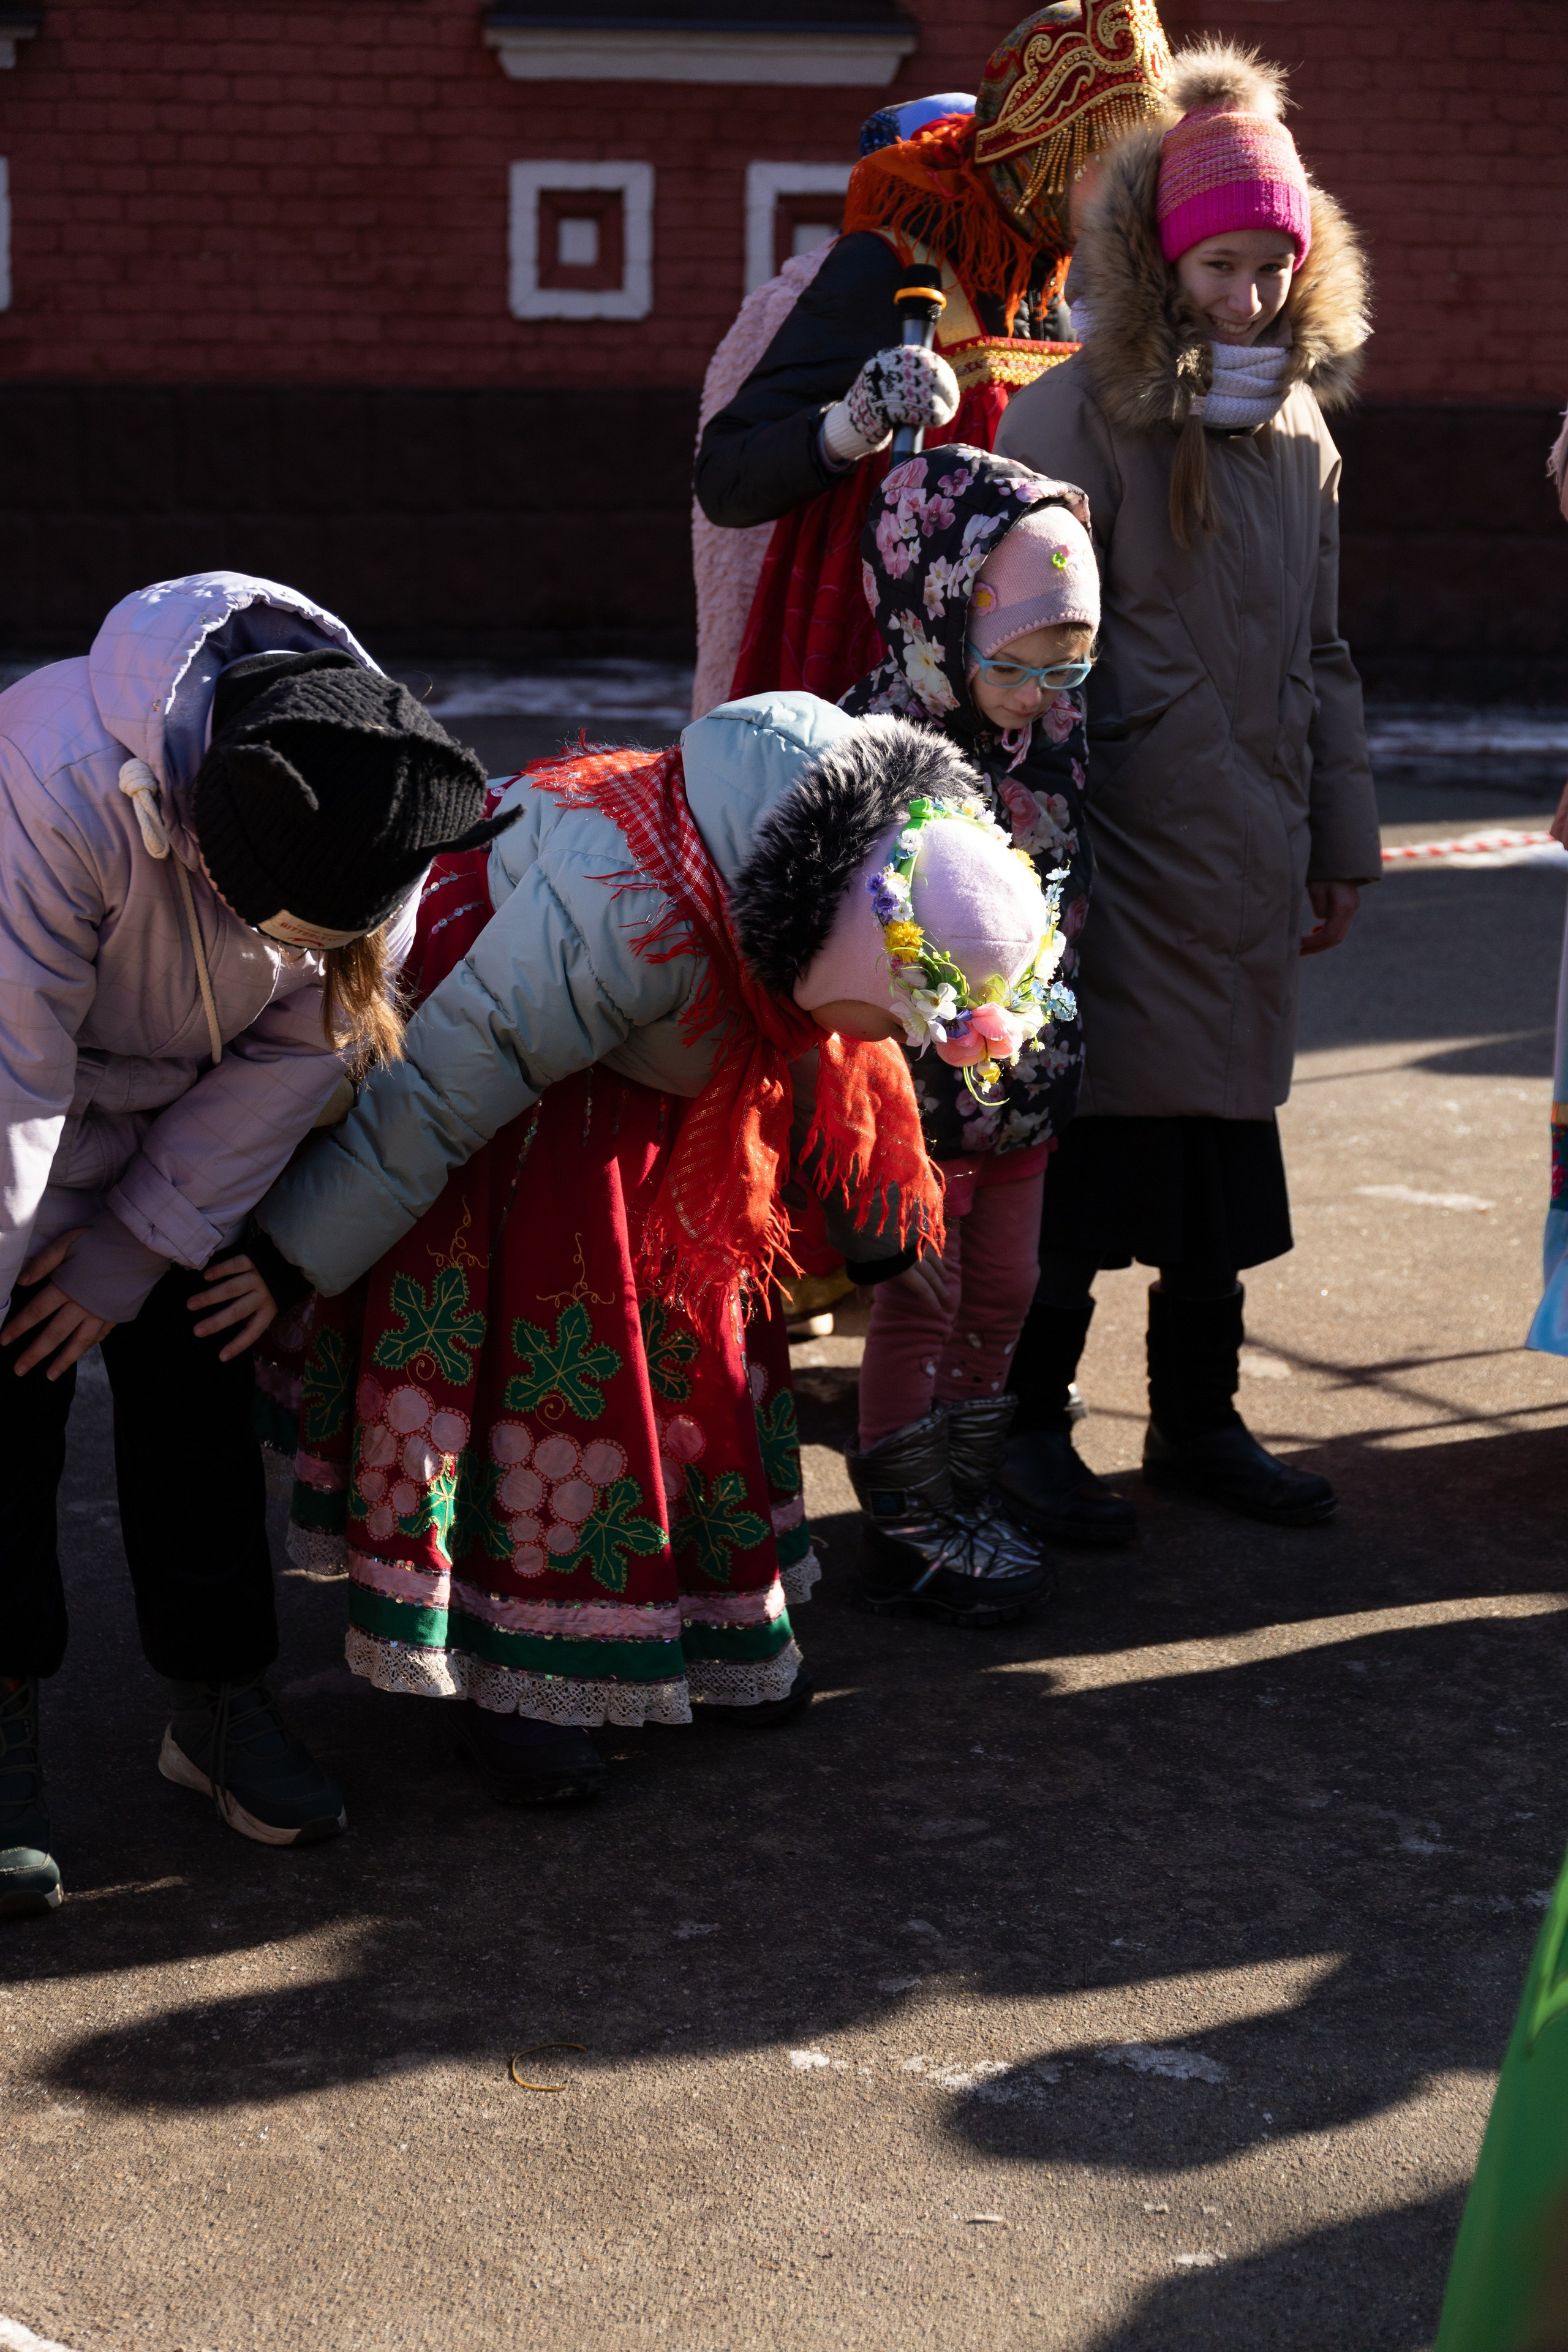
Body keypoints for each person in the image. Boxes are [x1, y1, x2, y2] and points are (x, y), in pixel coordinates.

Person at [247, 697, 1035, 1804]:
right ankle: (521, 1672)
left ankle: (706, 1630)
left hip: (677, 1086)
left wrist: (874, 1238)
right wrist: (290, 1257)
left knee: (692, 1342)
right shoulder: (626, 912)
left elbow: (838, 1051)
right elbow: (443, 1093)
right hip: (515, 1104)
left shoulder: (848, 883)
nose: (890, 1046)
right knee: (564, 1362)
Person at [0, 571, 508, 1913]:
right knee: (8, 1396)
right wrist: (48, 1257)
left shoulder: (377, 803)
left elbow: (308, 1046)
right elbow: (14, 1080)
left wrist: (143, 1244)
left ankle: (218, 1698)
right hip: (21, 1112)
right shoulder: (51, 783)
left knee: (198, 1379)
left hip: (195, 1132)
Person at [993, 40, 1381, 1536]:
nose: (1248, 297)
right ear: (1163, 260)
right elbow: (1013, 658)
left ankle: (1197, 1421)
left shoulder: (1298, 430)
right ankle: (1029, 1426)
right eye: (1220, 266)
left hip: (1245, 854)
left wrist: (1335, 840)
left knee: (1215, 1158)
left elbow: (1324, 651)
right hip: (1111, 853)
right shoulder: (1069, 418)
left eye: (1269, 268)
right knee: (1081, 1164)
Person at [693, 1, 1174, 710]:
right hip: (880, 667)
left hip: (1028, 677)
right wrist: (852, 423)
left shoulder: (1054, 283)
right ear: (1042, 151)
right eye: (1112, 166)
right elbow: (727, 478)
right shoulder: (888, 264)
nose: (1138, 201)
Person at [834, 443, 1113, 1601]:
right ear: (932, 619)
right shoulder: (871, 746)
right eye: (1018, 665)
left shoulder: (1051, 739)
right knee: (919, 1300)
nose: (1044, 696)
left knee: (1005, 1293)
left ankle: (970, 1478)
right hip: (914, 1100)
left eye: (1073, 667)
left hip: (1028, 1088)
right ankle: (906, 1511)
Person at [691, 92, 978, 725]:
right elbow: (728, 486)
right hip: (842, 622)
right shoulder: (822, 287)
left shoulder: (1039, 290)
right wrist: (852, 423)